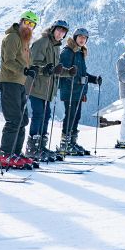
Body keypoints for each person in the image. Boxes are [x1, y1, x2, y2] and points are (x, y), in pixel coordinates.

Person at [0, 10, 39, 170]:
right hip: (9, 82)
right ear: (21, 22)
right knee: (14, 119)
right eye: (27, 22)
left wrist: (37, 69)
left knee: (23, 120)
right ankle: (5, 155)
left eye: (32, 24)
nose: (29, 26)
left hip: (20, 84)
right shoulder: (12, 37)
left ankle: (16, 153)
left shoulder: (25, 41)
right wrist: (24, 71)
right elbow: (8, 61)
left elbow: (26, 64)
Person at [25, 20, 74, 162]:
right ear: (53, 30)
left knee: (46, 115)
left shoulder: (56, 46)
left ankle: (41, 146)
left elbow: (55, 70)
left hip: (48, 88)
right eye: (59, 30)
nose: (61, 33)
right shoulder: (43, 42)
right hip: (36, 86)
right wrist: (49, 69)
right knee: (39, 115)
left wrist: (68, 72)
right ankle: (32, 148)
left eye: (63, 32)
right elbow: (33, 63)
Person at [58, 28, 102, 156]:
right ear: (75, 37)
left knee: (76, 117)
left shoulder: (80, 53)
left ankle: (72, 143)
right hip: (70, 89)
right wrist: (74, 80)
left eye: (85, 38)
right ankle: (65, 144)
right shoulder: (68, 52)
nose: (82, 39)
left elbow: (82, 73)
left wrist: (93, 79)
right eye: (80, 37)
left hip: (78, 90)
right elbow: (63, 70)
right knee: (70, 115)